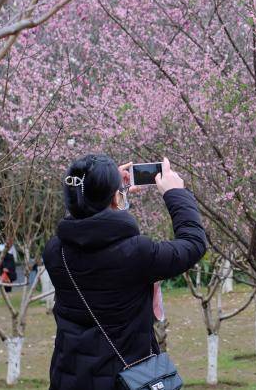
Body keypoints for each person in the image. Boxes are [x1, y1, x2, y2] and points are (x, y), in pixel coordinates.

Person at [43, 155, 206, 390]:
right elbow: (193, 243)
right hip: (123, 380)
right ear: (114, 197)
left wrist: (101, 189)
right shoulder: (136, 253)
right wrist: (175, 193)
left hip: (68, 377)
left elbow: (80, 223)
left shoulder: (55, 250)